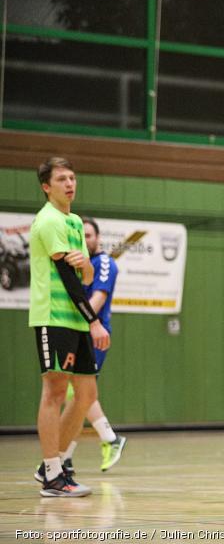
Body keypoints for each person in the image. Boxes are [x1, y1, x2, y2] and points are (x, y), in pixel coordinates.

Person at [29, 157, 110, 497]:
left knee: (87, 395)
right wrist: (94, 321)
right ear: (47, 187)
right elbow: (67, 277)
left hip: (75, 320)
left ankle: (54, 465)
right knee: (56, 392)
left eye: (72, 177)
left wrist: (87, 270)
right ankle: (52, 475)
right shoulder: (48, 221)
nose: (69, 183)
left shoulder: (75, 222)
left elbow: (86, 275)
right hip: (54, 317)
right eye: (61, 179)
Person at [61, 218, 127, 471]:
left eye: (89, 235)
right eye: (81, 236)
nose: (85, 240)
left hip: (94, 336)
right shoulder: (80, 265)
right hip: (79, 334)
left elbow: (97, 300)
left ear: (98, 238)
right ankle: (66, 457)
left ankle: (108, 439)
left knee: (81, 395)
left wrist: (84, 321)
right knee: (74, 398)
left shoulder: (105, 263)